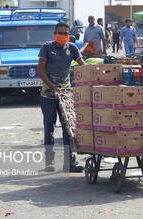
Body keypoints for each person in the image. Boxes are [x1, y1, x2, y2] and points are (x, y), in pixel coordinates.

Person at [38, 22, 86, 173]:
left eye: (66, 33)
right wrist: (52, 86)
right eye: (60, 33)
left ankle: (69, 162)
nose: (63, 36)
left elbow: (83, 66)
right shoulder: (47, 47)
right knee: (49, 128)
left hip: (65, 95)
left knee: (68, 128)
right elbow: (40, 70)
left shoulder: (72, 48)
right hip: (48, 95)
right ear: (55, 33)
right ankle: (49, 163)